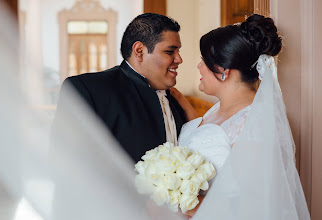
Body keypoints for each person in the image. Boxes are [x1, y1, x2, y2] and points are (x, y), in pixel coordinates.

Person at [171, 14, 310, 219]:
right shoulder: (217, 109)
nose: (199, 66)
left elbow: (250, 205)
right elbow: (205, 134)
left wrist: (181, 203)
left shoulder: (257, 124)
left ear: (223, 70)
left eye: (204, 60)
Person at [55, 13, 187, 162]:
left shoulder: (177, 100)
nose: (179, 59)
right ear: (139, 51)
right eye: (170, 51)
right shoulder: (88, 89)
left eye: (178, 51)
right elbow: (66, 163)